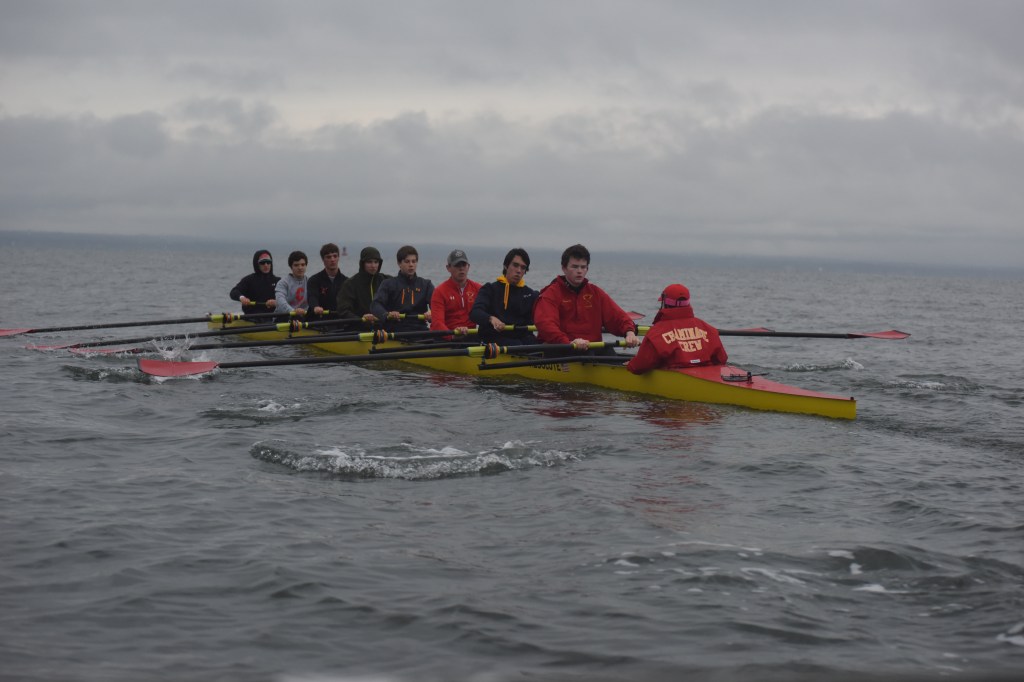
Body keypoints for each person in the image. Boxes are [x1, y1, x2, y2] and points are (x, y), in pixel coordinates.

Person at [533, 243, 639, 354]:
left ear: (587, 269)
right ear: (564, 268)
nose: (579, 271)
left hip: (591, 347)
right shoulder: (551, 294)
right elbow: (546, 325)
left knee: (608, 351)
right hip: (563, 348)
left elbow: (617, 316)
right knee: (590, 354)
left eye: (583, 267)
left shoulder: (595, 293)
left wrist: (630, 332)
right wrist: (567, 342)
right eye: (574, 266)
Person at [627, 284, 728, 374]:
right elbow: (722, 359)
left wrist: (630, 365)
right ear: (688, 303)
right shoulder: (709, 329)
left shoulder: (656, 333)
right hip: (708, 378)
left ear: (664, 303)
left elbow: (640, 366)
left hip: (676, 379)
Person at [470, 247, 539, 346]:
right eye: (515, 265)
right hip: (495, 339)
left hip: (523, 340)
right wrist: (491, 318)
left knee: (539, 344)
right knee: (517, 345)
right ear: (506, 266)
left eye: (523, 267)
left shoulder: (531, 294)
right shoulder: (490, 289)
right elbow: (475, 312)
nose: (519, 270)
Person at [371, 245, 434, 332]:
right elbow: (375, 305)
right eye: (407, 261)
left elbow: (438, 306)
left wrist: (432, 313)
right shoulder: (388, 284)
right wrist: (387, 314)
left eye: (414, 261)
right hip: (396, 331)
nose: (411, 265)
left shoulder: (426, 285)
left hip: (420, 330)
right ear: (399, 263)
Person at [430, 249, 481, 338]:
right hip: (447, 339)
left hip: (470, 336)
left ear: (468, 266)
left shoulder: (478, 289)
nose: (461, 268)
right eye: (457, 265)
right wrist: (453, 336)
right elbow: (437, 323)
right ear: (448, 268)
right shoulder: (439, 292)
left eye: (464, 265)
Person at [336, 246, 390, 324]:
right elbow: (343, 310)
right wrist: (361, 319)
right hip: (359, 329)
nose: (373, 265)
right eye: (369, 262)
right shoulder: (350, 284)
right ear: (362, 263)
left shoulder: (387, 281)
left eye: (376, 262)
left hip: (384, 329)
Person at [307, 243, 348, 318]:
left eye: (335, 256)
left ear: (338, 257)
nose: (332, 260)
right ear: (323, 259)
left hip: (340, 321)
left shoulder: (346, 281)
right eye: (328, 257)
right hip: (320, 320)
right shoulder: (313, 280)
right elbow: (312, 297)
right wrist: (315, 306)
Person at [274, 250, 309, 315]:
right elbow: (280, 301)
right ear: (291, 267)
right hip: (284, 316)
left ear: (306, 266)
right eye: (296, 265)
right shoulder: (283, 283)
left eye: (303, 265)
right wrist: (293, 311)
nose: (300, 268)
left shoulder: (310, 282)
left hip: (304, 316)